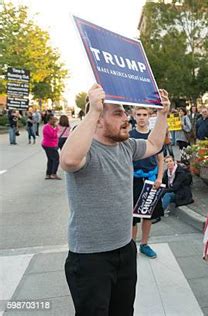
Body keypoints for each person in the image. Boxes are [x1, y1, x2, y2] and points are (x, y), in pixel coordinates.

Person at [60, 84, 169, 315]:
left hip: (125, 249)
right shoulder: (87, 150)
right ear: (99, 119)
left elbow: (154, 144)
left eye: (125, 113)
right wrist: (92, 111)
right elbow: (68, 161)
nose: (127, 119)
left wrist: (162, 114)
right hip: (90, 258)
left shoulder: (126, 146)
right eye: (118, 113)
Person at [130, 107, 165, 259]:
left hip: (151, 180)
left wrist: (159, 178)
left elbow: (160, 159)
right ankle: (130, 247)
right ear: (134, 116)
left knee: (148, 215)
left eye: (145, 115)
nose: (142, 117)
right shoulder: (129, 135)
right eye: (139, 115)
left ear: (149, 116)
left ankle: (144, 244)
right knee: (132, 217)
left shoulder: (154, 134)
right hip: (132, 180)